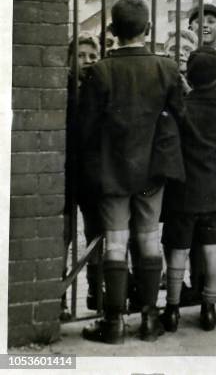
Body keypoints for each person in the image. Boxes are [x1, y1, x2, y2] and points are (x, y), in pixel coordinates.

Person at [79, 0, 185, 343]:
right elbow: (177, 116)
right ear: (149, 28)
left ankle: (114, 323)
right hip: (152, 171)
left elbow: (87, 128)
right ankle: (150, 318)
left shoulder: (101, 71)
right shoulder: (167, 68)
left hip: (112, 170)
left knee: (116, 241)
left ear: (111, 31)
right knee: (149, 237)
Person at [160, 49, 216, 333]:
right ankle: (209, 309)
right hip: (213, 190)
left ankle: (172, 309)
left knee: (178, 251)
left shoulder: (182, 107)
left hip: (182, 190)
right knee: (211, 249)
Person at [63, 32, 102, 318]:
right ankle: (59, 296)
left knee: (95, 235)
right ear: (69, 59)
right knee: (61, 237)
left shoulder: (100, 89)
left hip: (92, 175)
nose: (88, 61)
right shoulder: (60, 89)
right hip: (65, 174)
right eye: (81, 55)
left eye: (93, 56)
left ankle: (94, 291)